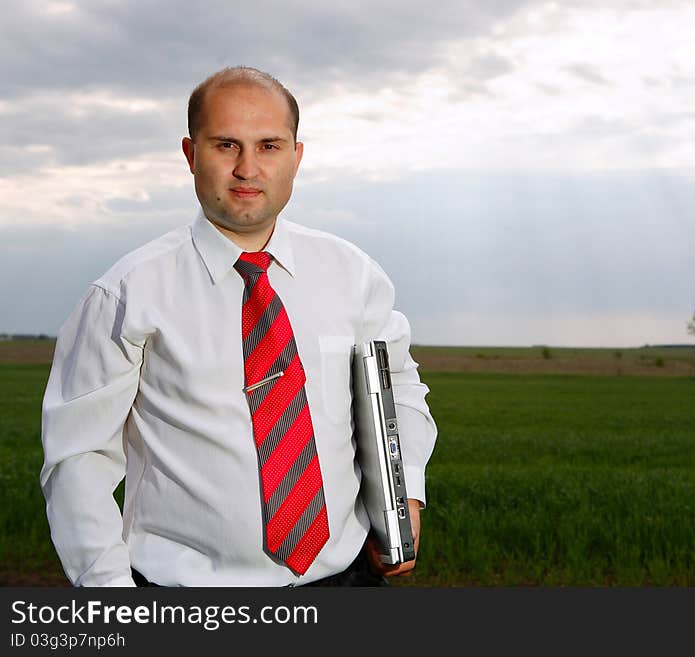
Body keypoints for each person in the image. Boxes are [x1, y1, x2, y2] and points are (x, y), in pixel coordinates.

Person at [40, 66, 437, 587]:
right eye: (226, 145)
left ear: (297, 156)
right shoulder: (126, 294)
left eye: (269, 146)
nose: (248, 168)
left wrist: (401, 496)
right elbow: (79, 459)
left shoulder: (353, 275)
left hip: (348, 580)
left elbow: (398, 389)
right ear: (190, 154)